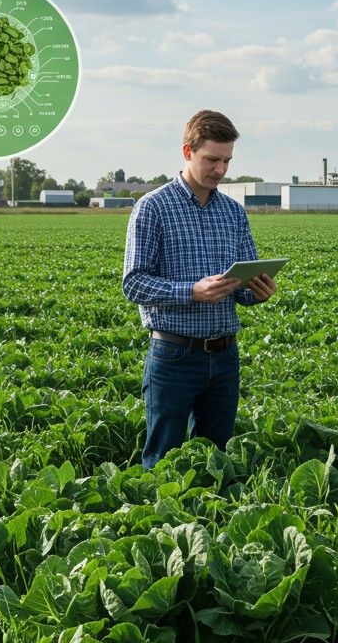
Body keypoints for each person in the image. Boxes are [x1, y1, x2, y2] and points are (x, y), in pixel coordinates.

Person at [123, 110, 277, 469]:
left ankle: (208, 521)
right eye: (212, 159)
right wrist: (191, 291)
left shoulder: (233, 213)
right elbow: (134, 283)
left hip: (225, 355)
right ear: (188, 152)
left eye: (227, 161)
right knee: (163, 459)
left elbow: (240, 287)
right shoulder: (153, 207)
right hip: (174, 354)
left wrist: (257, 291)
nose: (221, 170)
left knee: (215, 457)